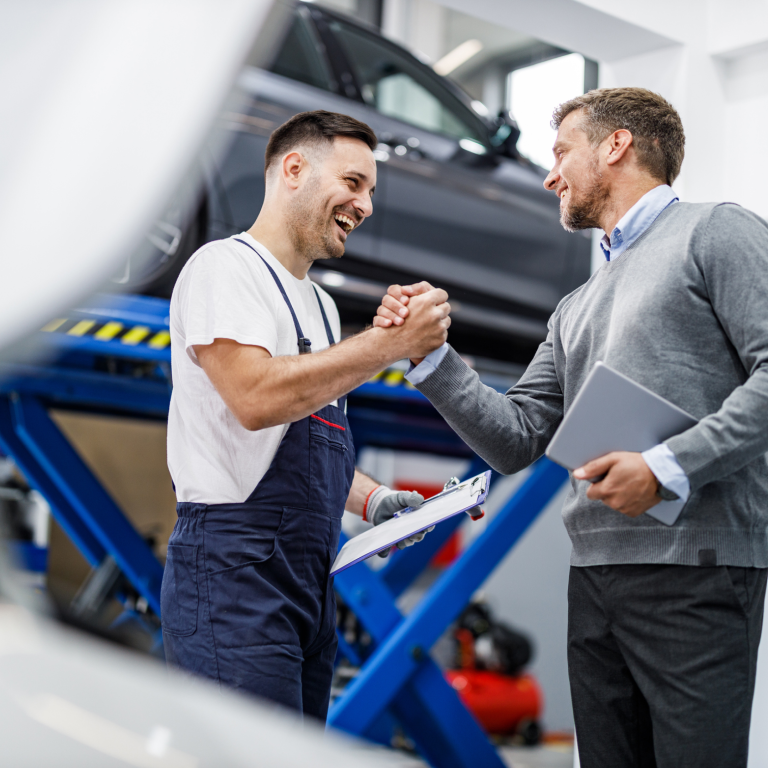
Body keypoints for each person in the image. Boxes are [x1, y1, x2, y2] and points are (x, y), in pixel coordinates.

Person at [374, 88, 768, 767]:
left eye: (561, 152)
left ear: (617, 145)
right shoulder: (574, 307)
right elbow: (515, 437)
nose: (550, 173)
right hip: (594, 576)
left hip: (697, 571)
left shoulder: (716, 232)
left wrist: (667, 468)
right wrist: (431, 358)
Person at [161, 110, 450, 721]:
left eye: (370, 190)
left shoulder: (319, 305)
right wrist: (387, 344)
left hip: (308, 581)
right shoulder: (225, 268)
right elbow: (257, 399)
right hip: (233, 575)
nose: (366, 204)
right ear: (294, 169)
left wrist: (374, 502)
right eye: (353, 182)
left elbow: (306, 439)